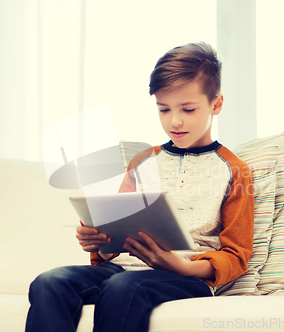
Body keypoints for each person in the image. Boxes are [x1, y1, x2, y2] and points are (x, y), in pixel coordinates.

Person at [25, 42, 255, 332]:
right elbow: (116, 235)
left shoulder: (234, 170)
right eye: (163, 109)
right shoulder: (144, 161)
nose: (175, 120)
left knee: (124, 287)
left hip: (185, 277)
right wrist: (100, 241)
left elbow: (236, 256)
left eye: (188, 108)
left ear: (216, 104)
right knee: (50, 282)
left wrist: (180, 265)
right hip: (121, 268)